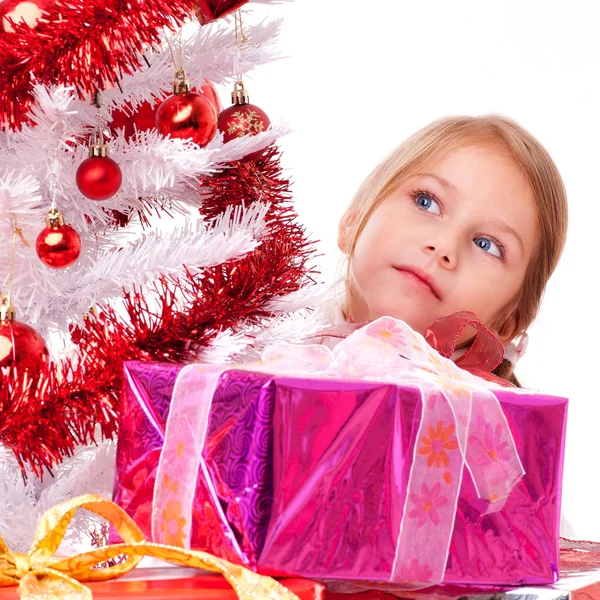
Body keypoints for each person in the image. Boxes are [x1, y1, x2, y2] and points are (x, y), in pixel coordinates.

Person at [317, 115, 568, 386]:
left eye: (486, 245)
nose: (444, 246)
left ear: (507, 324)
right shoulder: (270, 341)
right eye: (427, 202)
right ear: (354, 221)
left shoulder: (485, 422)